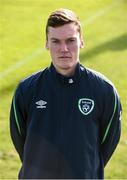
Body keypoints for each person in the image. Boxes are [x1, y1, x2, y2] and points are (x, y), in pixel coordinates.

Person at [10, 8, 122, 179]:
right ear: (47, 43)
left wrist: (85, 168)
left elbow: (107, 143)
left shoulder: (104, 90)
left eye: (70, 40)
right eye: (56, 41)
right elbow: (21, 141)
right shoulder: (26, 89)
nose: (64, 49)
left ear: (81, 42)